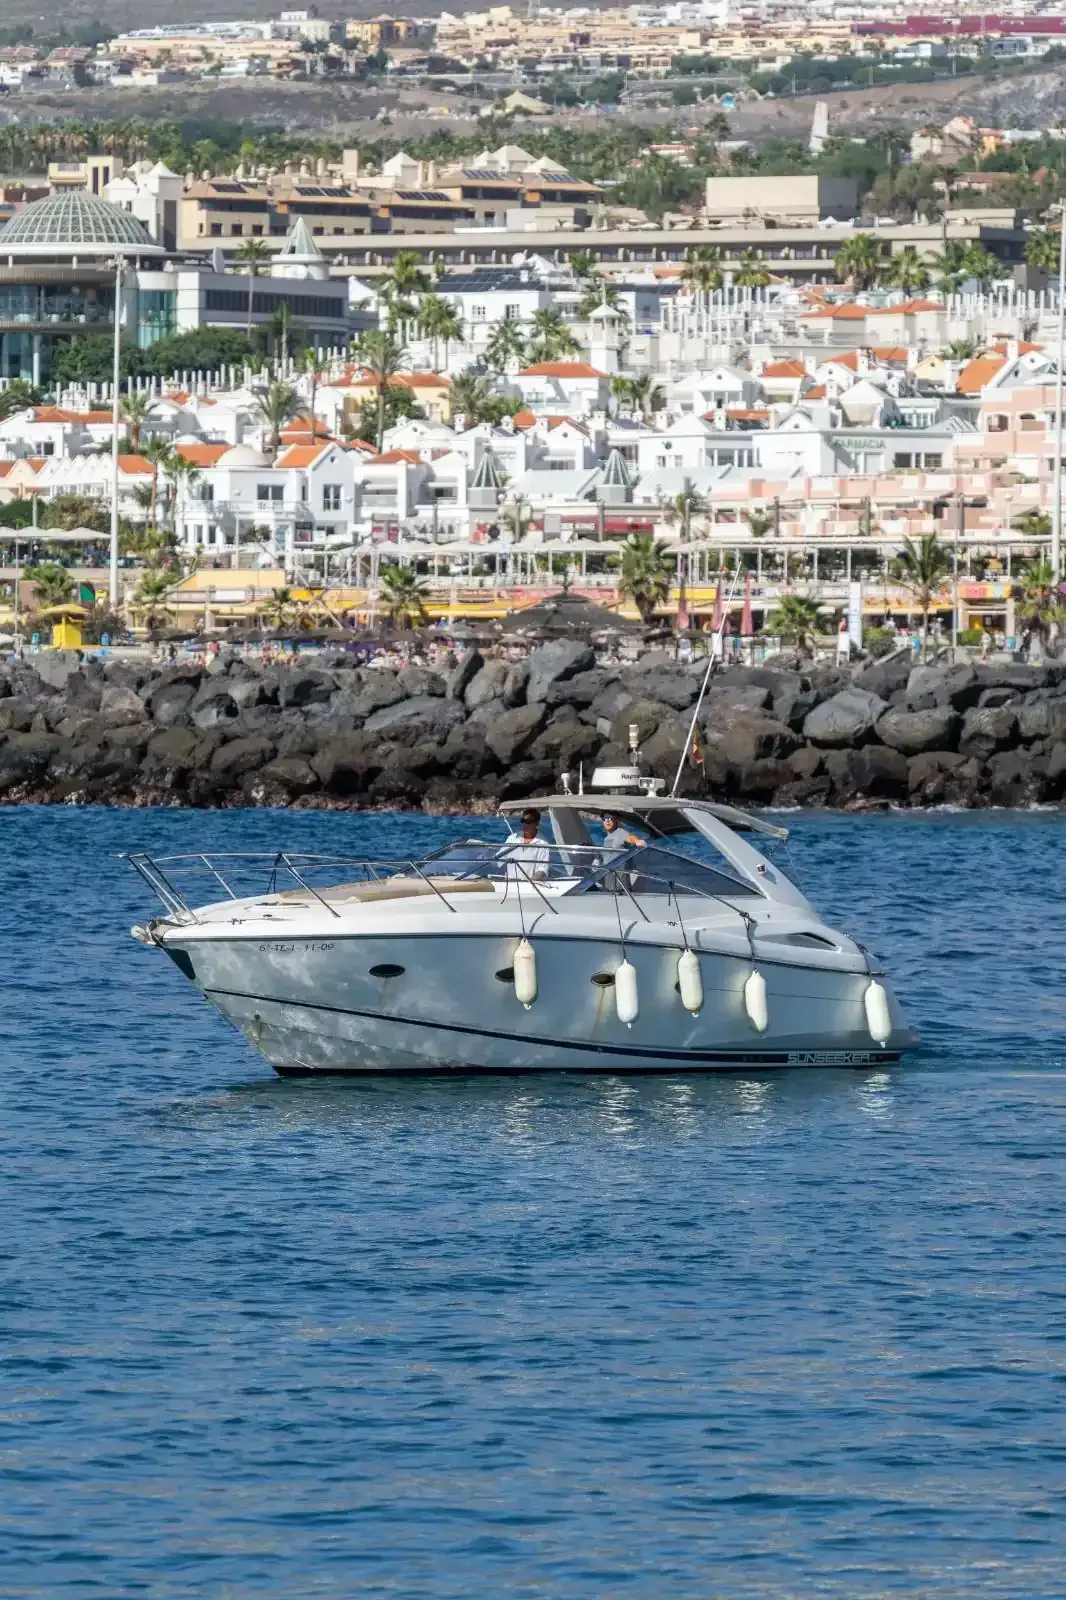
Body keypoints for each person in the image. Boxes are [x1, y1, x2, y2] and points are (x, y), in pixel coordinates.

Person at [500, 808, 552, 881]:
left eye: (528, 822)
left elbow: (542, 869)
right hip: (508, 884)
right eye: (523, 821)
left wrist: (529, 884)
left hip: (530, 886)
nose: (525, 824)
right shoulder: (512, 838)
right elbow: (499, 858)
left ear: (537, 823)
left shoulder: (543, 843)